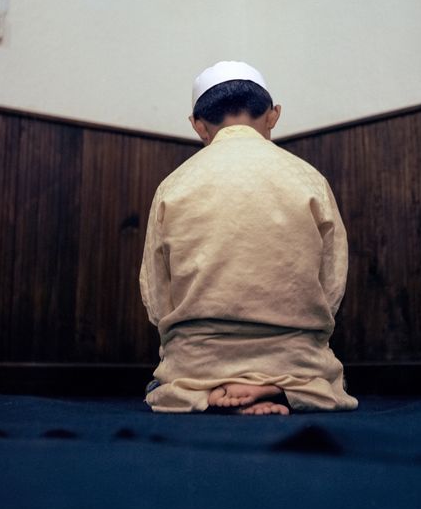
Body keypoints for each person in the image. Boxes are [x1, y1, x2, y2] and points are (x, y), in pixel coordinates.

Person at [139, 61, 358, 415]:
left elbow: (156, 293)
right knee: (326, 376)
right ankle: (279, 384)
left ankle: (208, 385)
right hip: (294, 357)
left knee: (164, 380)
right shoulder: (308, 178)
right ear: (273, 116)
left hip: (198, 361)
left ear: (198, 126)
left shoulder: (173, 186)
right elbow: (331, 283)